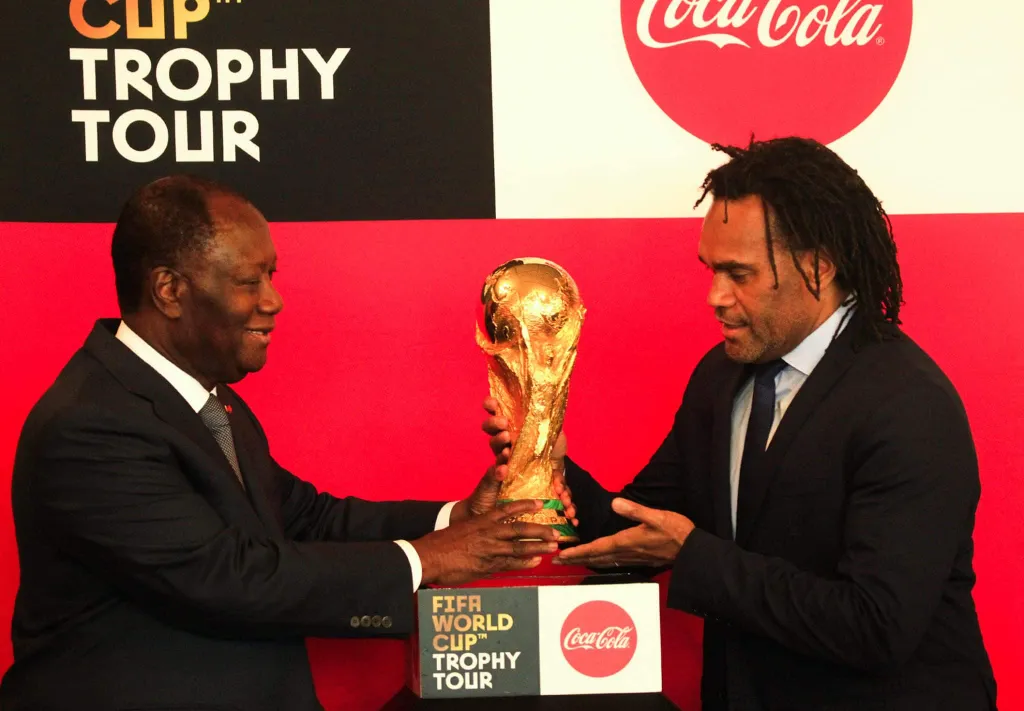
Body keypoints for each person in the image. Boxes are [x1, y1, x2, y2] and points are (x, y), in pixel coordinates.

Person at [0, 175, 559, 711]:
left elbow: (303, 518)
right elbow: (228, 579)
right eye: (250, 281)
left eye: (272, 275)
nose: (274, 301)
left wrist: (455, 518)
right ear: (169, 290)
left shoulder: (208, 398)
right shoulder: (92, 426)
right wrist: (431, 559)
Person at [484, 137, 997, 710]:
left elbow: (877, 626)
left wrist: (694, 555)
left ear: (817, 267)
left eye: (739, 273)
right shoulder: (722, 375)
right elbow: (640, 526)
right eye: (710, 269)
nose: (714, 296)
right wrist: (550, 464)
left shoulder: (908, 405)